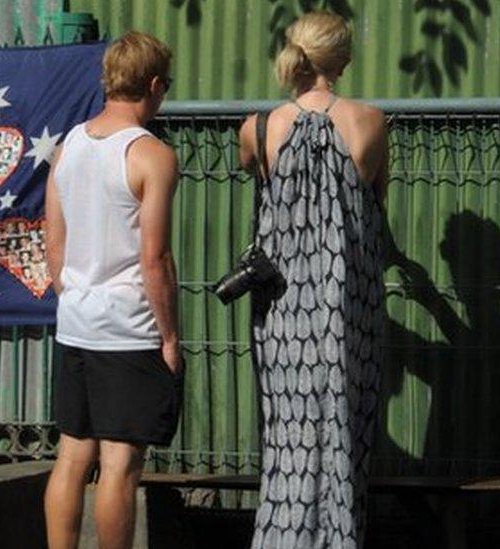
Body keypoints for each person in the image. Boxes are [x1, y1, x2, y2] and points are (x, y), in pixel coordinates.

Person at [237, 11, 388, 549]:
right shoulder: (371, 122)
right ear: (341, 60)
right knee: (346, 431)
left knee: (289, 434)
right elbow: (375, 209)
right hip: (351, 302)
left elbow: (256, 179)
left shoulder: (257, 128)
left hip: (284, 309)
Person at [43, 31, 182, 549]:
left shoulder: (68, 146)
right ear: (151, 84)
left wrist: (74, 296)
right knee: (119, 465)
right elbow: (155, 258)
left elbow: (52, 241)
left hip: (76, 319)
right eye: (164, 86)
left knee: (73, 457)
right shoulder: (152, 155)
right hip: (129, 328)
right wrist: (168, 337)